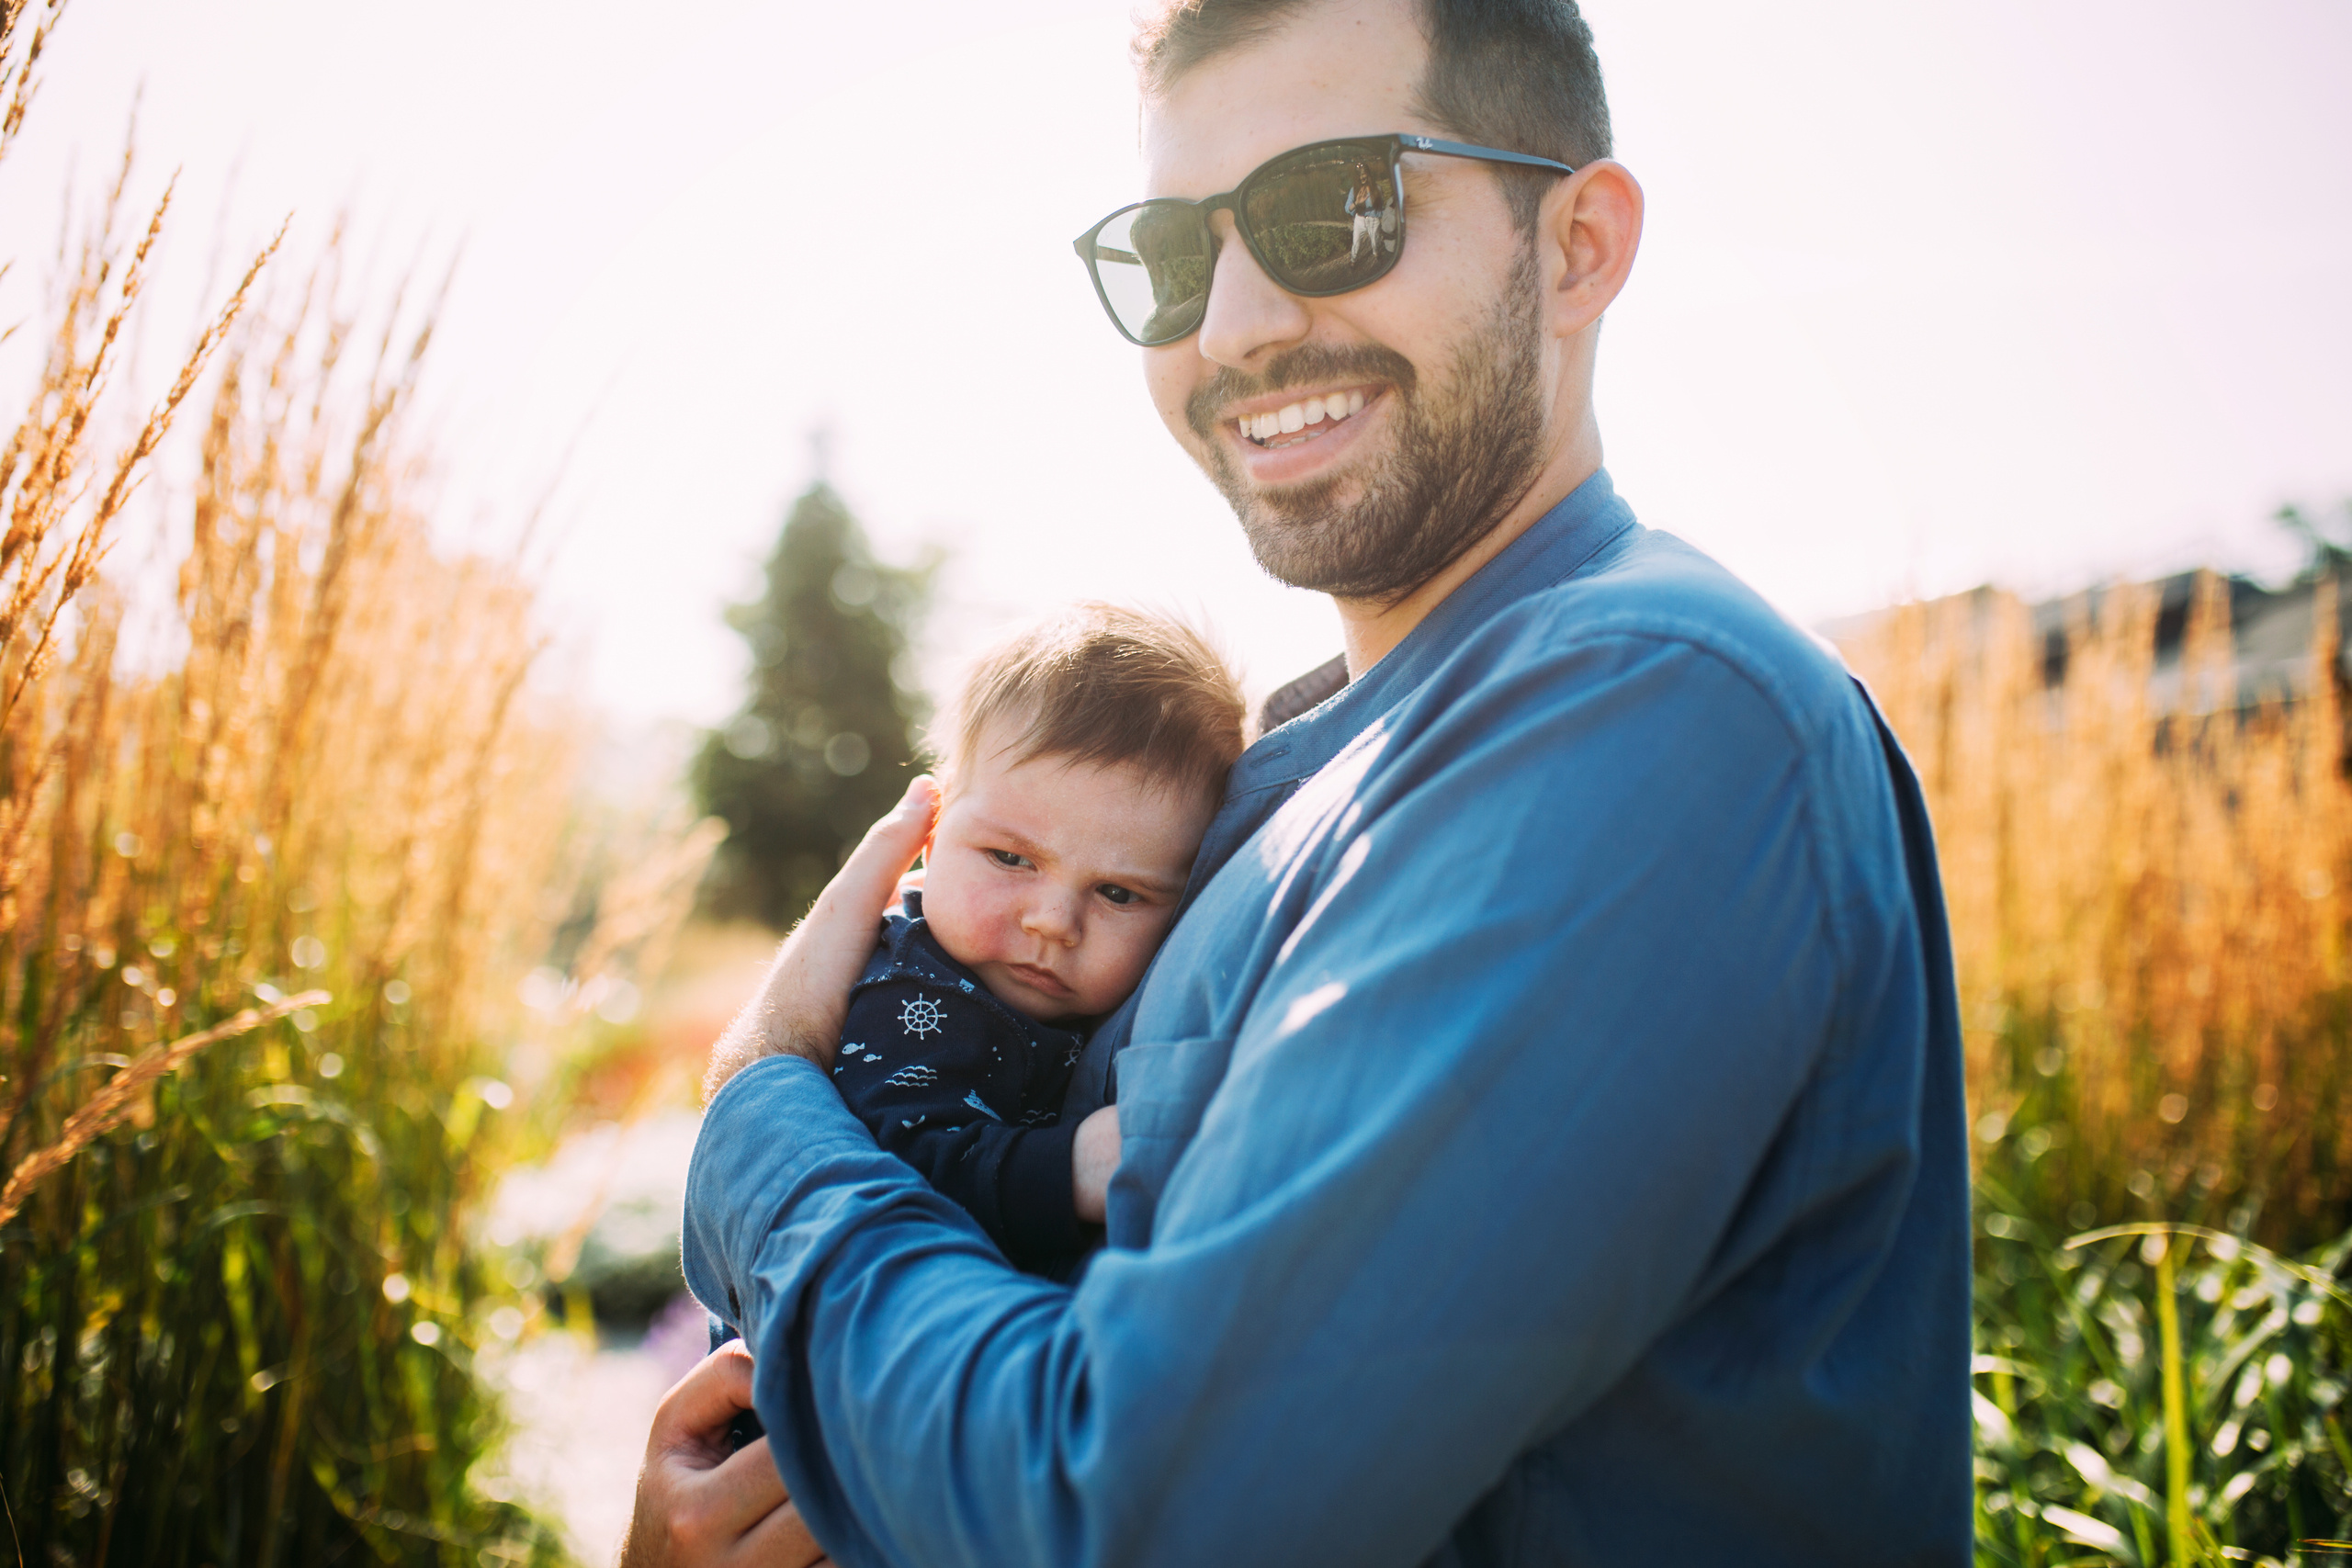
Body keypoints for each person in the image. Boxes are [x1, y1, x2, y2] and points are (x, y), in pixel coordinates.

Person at [623, 1, 1973, 1563]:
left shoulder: (1653, 712)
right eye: (1175, 257)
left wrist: (761, 1128)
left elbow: (1136, 1512)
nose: (1240, 324)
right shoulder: (1290, 771)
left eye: (1335, 211)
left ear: (1579, 247)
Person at [779, 604, 1244, 1272]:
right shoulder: (911, 989)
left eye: (1118, 893)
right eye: (1010, 857)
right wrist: (1075, 1164)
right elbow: (888, 1173)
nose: (1053, 920)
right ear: (930, 836)